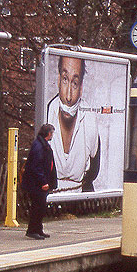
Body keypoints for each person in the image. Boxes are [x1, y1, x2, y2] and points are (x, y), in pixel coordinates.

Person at [45, 55, 101, 192]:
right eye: (65, 80)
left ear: (81, 87)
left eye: (75, 83)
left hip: (79, 201)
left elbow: (94, 170)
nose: (68, 96)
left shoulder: (90, 120)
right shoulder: (46, 114)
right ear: (58, 80)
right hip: (48, 199)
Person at [22, 124, 57, 239]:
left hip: (40, 182)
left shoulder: (42, 144)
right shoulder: (39, 146)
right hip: (36, 184)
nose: (52, 135)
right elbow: (36, 166)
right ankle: (32, 230)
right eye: (51, 133)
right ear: (48, 133)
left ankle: (38, 229)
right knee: (37, 207)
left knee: (41, 207)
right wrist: (43, 182)